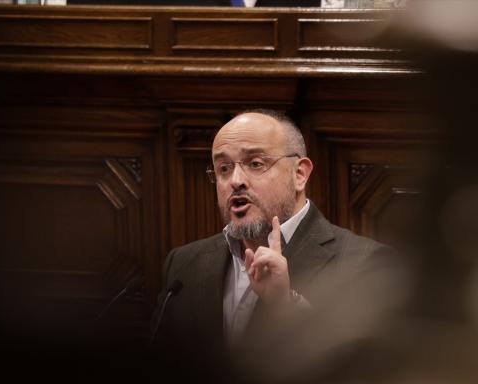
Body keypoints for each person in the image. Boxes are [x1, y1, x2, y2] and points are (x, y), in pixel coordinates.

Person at [150, 109, 393, 368]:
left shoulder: (365, 264)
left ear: (299, 174)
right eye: (223, 168)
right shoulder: (184, 265)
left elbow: (366, 378)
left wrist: (285, 304)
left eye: (255, 164)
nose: (235, 181)